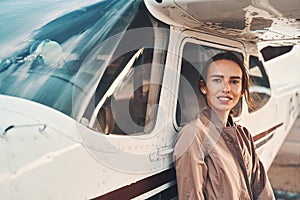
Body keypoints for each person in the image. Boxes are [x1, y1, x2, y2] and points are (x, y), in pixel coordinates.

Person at [173, 52, 275, 200]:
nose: (226, 88)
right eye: (217, 80)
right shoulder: (193, 134)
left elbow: (262, 191)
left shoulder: (244, 135)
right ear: (204, 87)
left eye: (234, 82)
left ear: (242, 90)